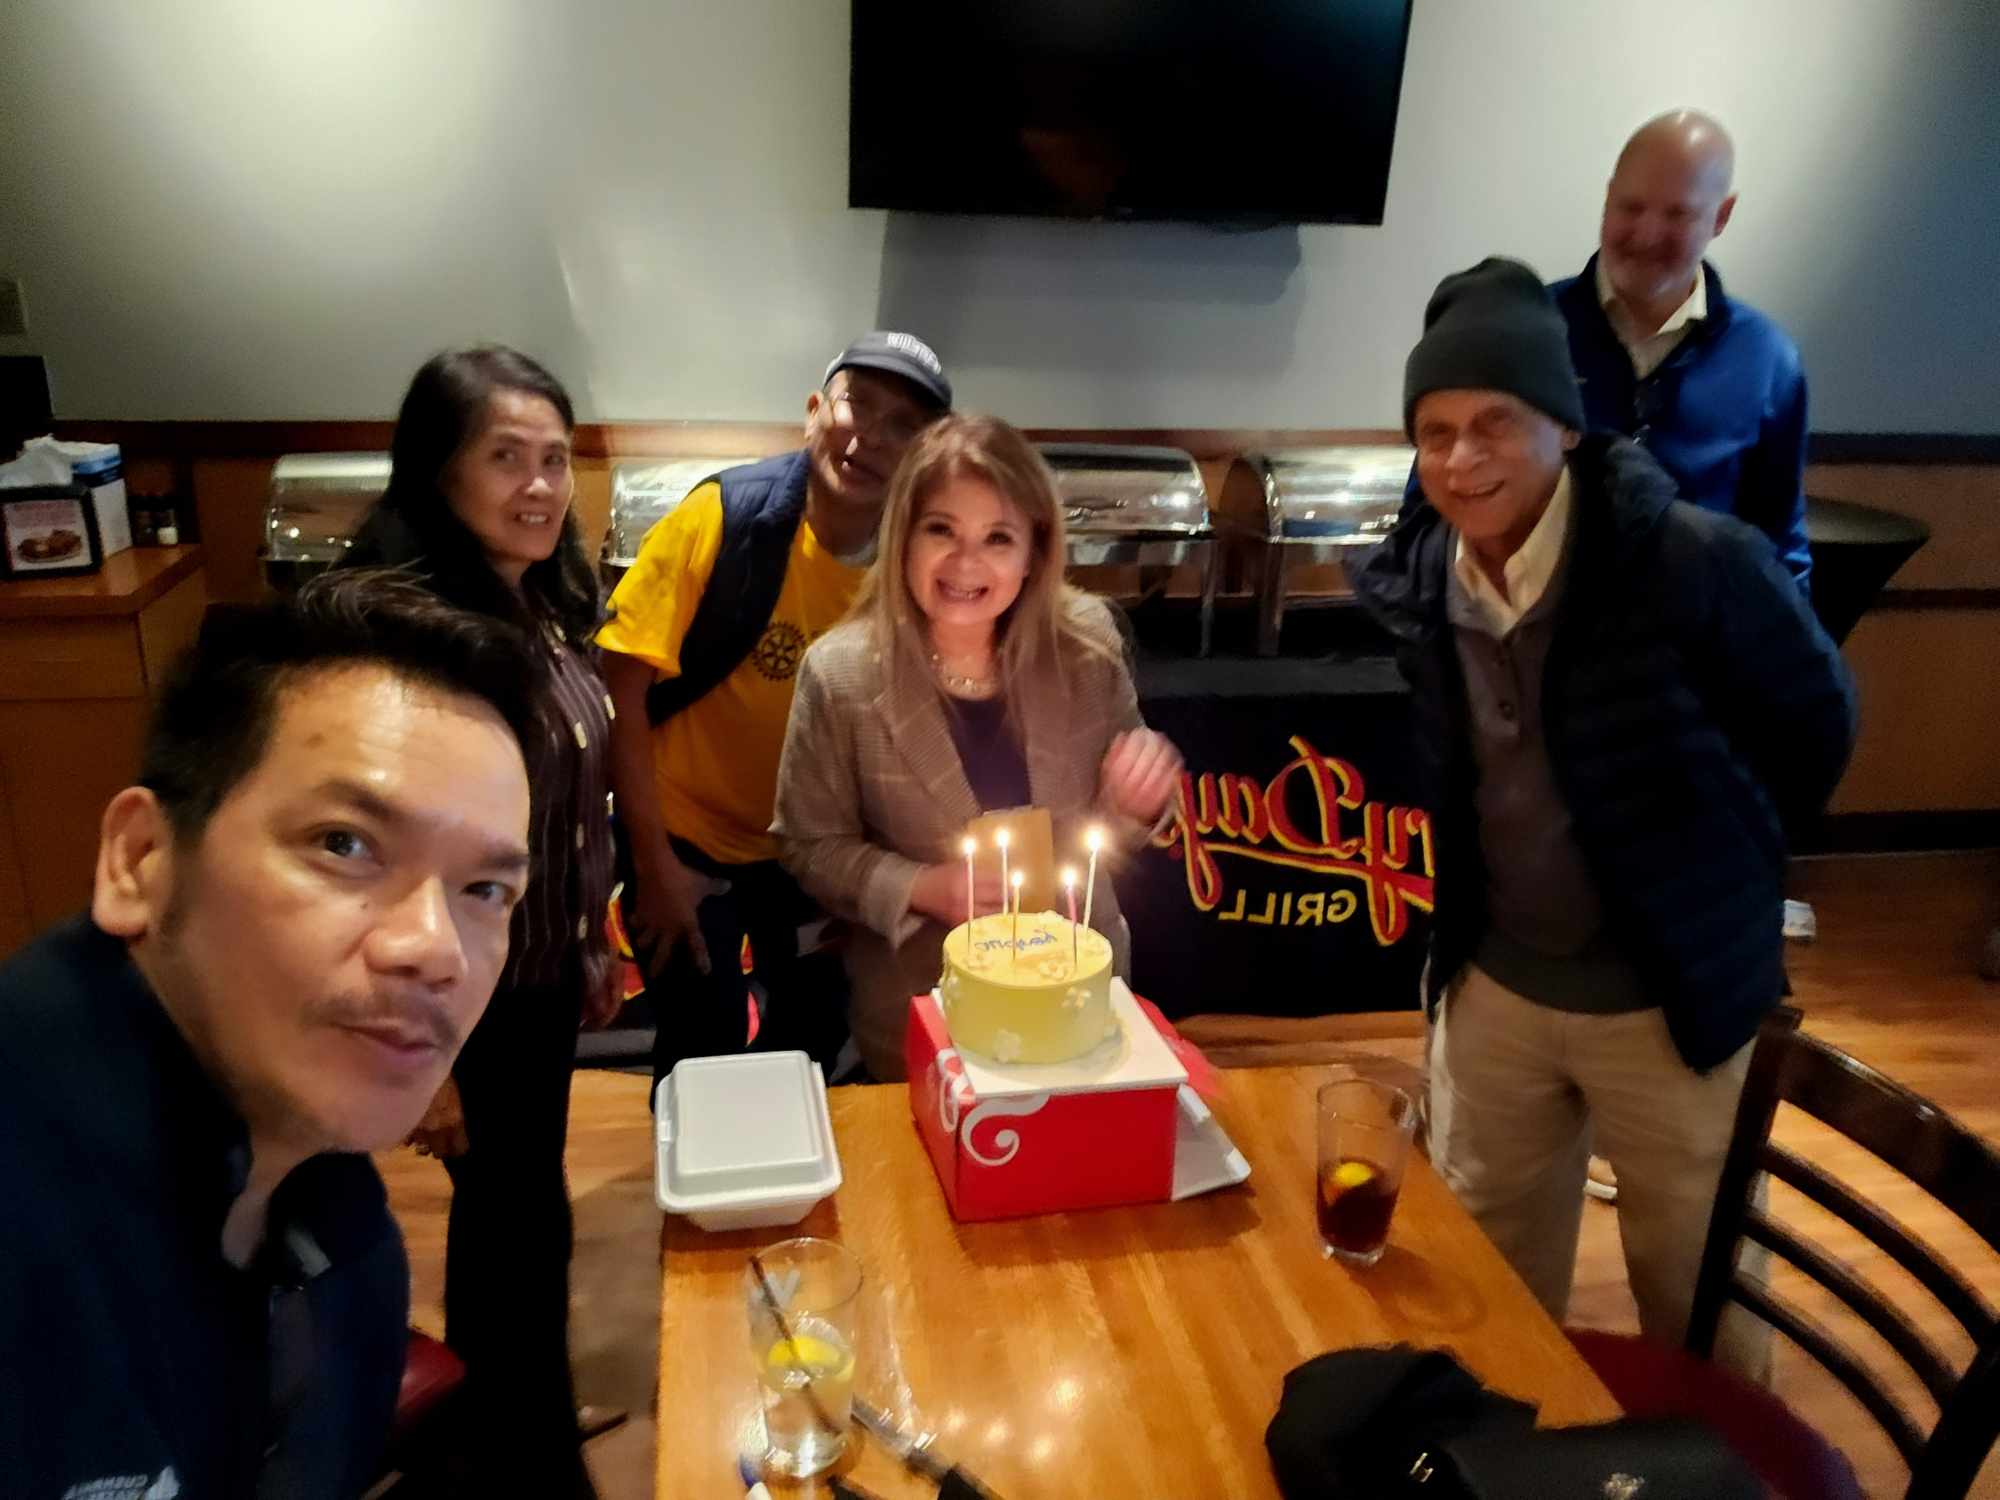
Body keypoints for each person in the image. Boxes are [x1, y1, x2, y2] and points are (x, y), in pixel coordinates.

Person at [1353, 258, 1856, 1378]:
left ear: (1565, 426)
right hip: (1496, 990)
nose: (1462, 458)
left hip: (1671, 999)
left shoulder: (1690, 559)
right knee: (1484, 1293)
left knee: (1699, 1296)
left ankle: (1722, 1463)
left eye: (1495, 422)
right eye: (1434, 432)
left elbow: (1817, 721)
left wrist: (1721, 871)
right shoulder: (1422, 574)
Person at [0, 570, 539, 1499]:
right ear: (140, 861)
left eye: (485, 890)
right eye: (344, 844)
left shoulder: (342, 1237)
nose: (436, 950)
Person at [342, 345, 617, 1497]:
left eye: (554, 459)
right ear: (436, 470)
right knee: (508, 1224)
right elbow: (381, 862)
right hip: (461, 991)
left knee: (522, 1218)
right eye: (506, 458)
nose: (539, 486)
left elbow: (560, 806)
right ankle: (514, 1463)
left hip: (536, 969)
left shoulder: (537, 600)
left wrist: (590, 940)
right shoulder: (410, 634)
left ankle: (514, 1428)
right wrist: (431, 1054)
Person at [771, 413, 1183, 1080]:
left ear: (1033, 552)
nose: (967, 563)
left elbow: (1110, 830)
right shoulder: (839, 676)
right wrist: (921, 887)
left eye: (998, 537)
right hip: (923, 1010)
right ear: (903, 536)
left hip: (1081, 1012)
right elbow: (807, 844)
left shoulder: (1087, 646)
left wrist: (1135, 804)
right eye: (942, 530)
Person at [598, 331, 952, 1084]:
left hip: (809, 856)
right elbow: (621, 685)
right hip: (685, 838)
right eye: (859, 405)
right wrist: (655, 869)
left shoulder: (918, 565)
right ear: (815, 410)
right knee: (703, 1050)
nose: (871, 436)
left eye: (903, 426)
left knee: (810, 1043)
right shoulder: (724, 517)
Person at [1558, 108, 1811, 591]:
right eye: (1631, 207)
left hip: (1698, 635)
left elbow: (1779, 550)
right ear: (1607, 199)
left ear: (1722, 216)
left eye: (1678, 214)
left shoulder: (1768, 360)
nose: (1648, 235)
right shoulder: (1529, 329)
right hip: (1537, 635)